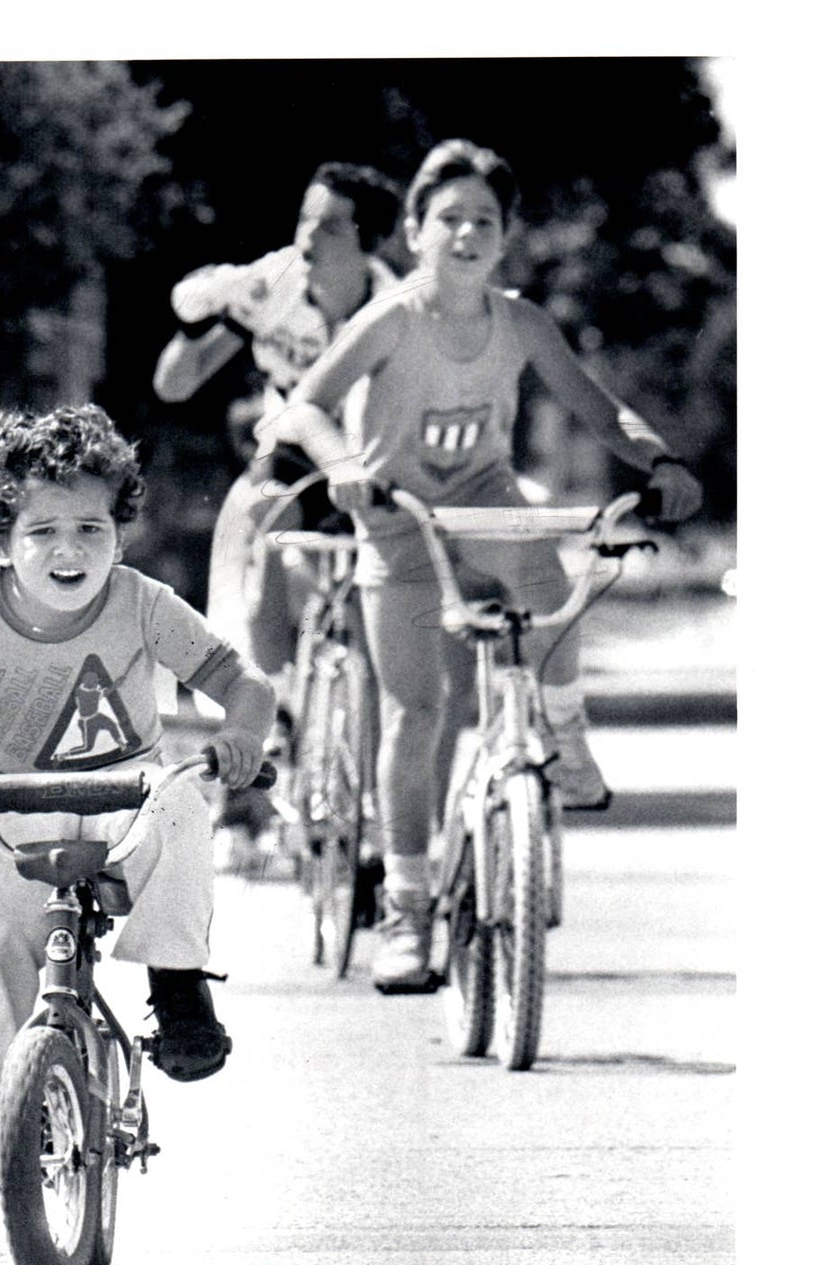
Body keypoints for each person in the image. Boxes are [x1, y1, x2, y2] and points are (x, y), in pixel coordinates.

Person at [262, 140, 703, 990]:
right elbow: (306, 404)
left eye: (483, 221)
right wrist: (345, 464)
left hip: (486, 498)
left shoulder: (521, 321)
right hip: (400, 518)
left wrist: (661, 462)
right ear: (417, 232)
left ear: (504, 237)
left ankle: (565, 734)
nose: (465, 234)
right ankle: (406, 909)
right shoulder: (391, 318)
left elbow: (598, 407)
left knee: (555, 590)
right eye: (448, 219)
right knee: (415, 711)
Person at [0, 404, 275, 1204]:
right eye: (43, 532)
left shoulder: (139, 601)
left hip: (124, 795)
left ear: (119, 533)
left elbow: (243, 682)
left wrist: (241, 734)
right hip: (5, 803)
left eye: (92, 529)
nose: (70, 550)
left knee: (183, 807)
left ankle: (176, 981)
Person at [153, 163, 402, 864]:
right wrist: (205, 315)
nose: (307, 236)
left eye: (329, 225)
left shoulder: (394, 307)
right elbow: (173, 383)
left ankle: (375, 806)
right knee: (258, 552)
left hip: (366, 461)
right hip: (291, 457)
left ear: (370, 239)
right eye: (304, 218)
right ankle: (268, 730)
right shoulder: (272, 282)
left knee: (362, 611)